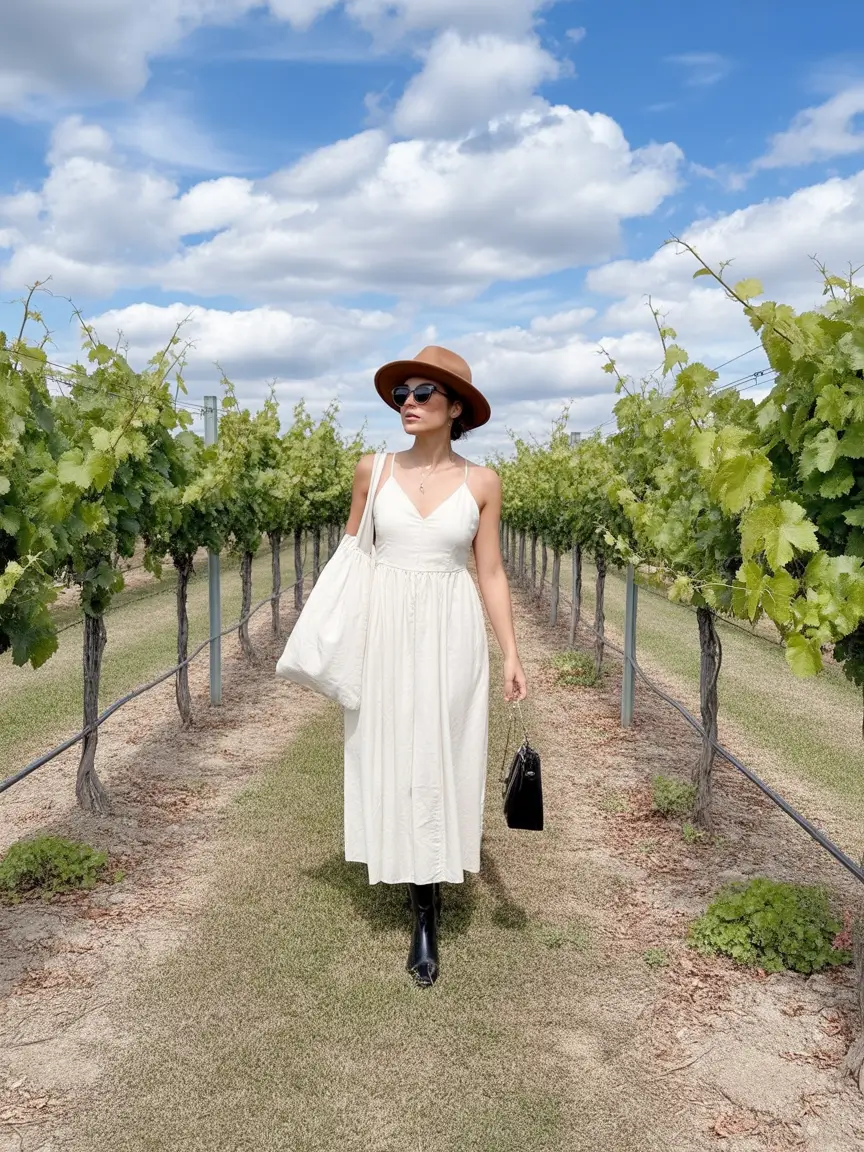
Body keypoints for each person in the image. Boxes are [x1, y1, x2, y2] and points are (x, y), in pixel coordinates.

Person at [342, 345, 528, 988]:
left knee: (440, 752)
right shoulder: (373, 470)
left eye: (424, 394)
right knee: (391, 750)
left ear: (456, 409)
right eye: (403, 395)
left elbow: (492, 570)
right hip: (387, 627)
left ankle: (427, 906)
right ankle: (414, 886)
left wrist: (511, 651)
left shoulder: (482, 483)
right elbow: (351, 561)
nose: (410, 404)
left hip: (452, 630)